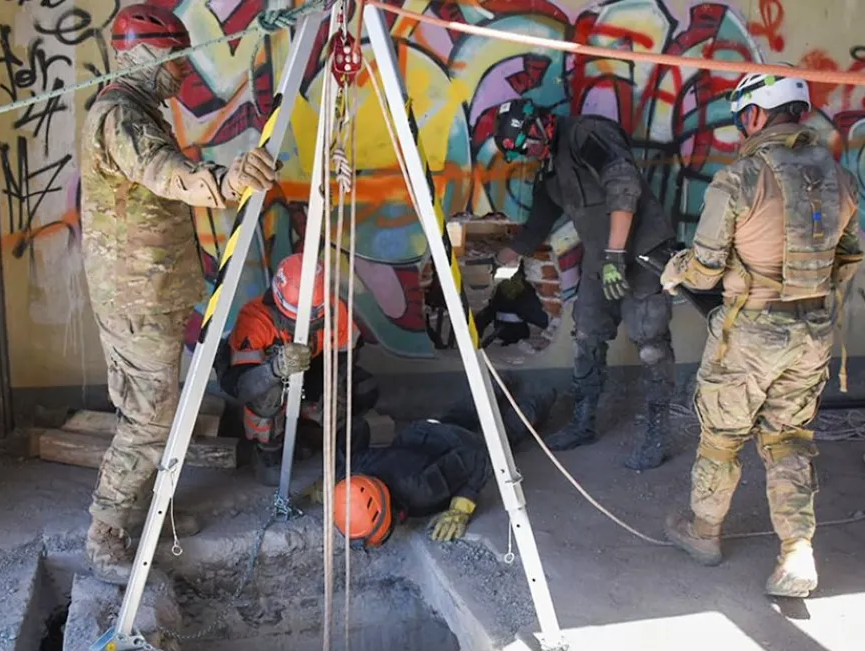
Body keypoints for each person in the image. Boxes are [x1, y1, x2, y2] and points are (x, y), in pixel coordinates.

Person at [79, 3, 281, 585]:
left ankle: (142, 512)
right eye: (178, 59)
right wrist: (227, 180)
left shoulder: (138, 110)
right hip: (135, 294)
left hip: (151, 287)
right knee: (150, 413)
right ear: (149, 51)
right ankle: (108, 526)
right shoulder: (120, 115)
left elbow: (157, 183)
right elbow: (163, 173)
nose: (183, 74)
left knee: (155, 407)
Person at [659, 72, 864, 597]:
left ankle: (704, 534)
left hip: (748, 334)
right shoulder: (840, 178)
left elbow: (704, 272)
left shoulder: (741, 179)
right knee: (790, 438)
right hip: (812, 331)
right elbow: (846, 260)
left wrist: (677, 269)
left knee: (722, 438)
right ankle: (796, 555)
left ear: (755, 114)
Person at [491, 99, 676, 470]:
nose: (529, 154)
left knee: (651, 343)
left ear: (541, 123)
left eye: (528, 145)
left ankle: (657, 432)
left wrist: (615, 254)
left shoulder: (587, 133)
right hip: (599, 258)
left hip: (641, 253)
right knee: (586, 336)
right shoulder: (549, 167)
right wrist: (495, 262)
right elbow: (537, 227)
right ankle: (583, 422)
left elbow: (623, 184)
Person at [316, 376, 557, 546]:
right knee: (460, 414)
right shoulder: (355, 473)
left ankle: (545, 395)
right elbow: (358, 427)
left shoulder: (422, 490)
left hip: (458, 444)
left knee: (503, 436)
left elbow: (476, 457)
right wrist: (328, 483)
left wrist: (460, 508)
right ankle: (497, 382)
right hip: (422, 431)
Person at [215, 253, 379, 486]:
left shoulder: (335, 310)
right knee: (268, 395)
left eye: (313, 315)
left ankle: (309, 427)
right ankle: (267, 448)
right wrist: (275, 369)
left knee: (364, 388)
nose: (305, 323)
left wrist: (336, 392)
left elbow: (346, 357)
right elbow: (242, 386)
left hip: (308, 370)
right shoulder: (254, 319)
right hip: (262, 380)